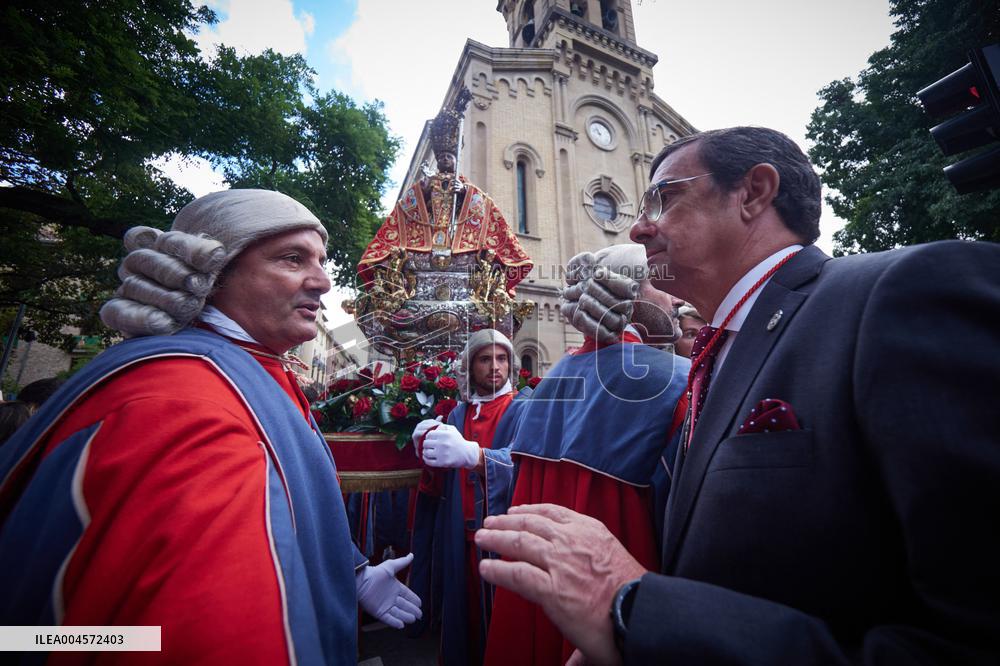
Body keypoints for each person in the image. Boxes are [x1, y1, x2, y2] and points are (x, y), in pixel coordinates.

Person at [475, 127, 1000, 664]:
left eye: (664, 197)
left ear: (753, 193)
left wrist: (640, 611)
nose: (637, 228)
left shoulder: (904, 291)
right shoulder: (717, 352)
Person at [0, 189, 420, 664]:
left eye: (320, 260)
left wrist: (348, 572)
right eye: (291, 259)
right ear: (215, 274)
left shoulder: (245, 369)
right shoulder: (187, 402)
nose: (322, 281)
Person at [483, 244, 690, 665]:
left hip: (540, 592)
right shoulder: (677, 382)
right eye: (662, 284)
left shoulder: (550, 378)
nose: (675, 297)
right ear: (631, 293)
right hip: (622, 602)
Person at [407, 329, 529, 666]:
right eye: (485, 359)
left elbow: (526, 465)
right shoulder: (458, 415)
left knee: (501, 625)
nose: (495, 367)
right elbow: (441, 480)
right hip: (459, 537)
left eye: (502, 358)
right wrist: (427, 451)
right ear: (469, 366)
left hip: (502, 536)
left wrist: (478, 457)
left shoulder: (524, 407)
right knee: (462, 622)